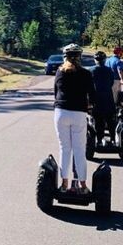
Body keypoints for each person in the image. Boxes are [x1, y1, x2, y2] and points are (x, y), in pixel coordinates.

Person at [54, 43, 95, 194]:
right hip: (78, 113)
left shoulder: (59, 72)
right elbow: (92, 94)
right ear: (80, 57)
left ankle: (64, 185)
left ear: (64, 57)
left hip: (61, 112)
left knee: (64, 148)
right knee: (79, 150)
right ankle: (82, 186)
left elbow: (56, 93)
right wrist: (90, 107)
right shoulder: (85, 73)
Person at [91, 51, 117, 146]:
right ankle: (113, 139)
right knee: (110, 121)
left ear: (95, 60)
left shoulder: (91, 70)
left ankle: (99, 140)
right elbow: (111, 83)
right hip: (108, 99)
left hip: (97, 100)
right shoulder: (109, 70)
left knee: (98, 122)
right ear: (105, 60)